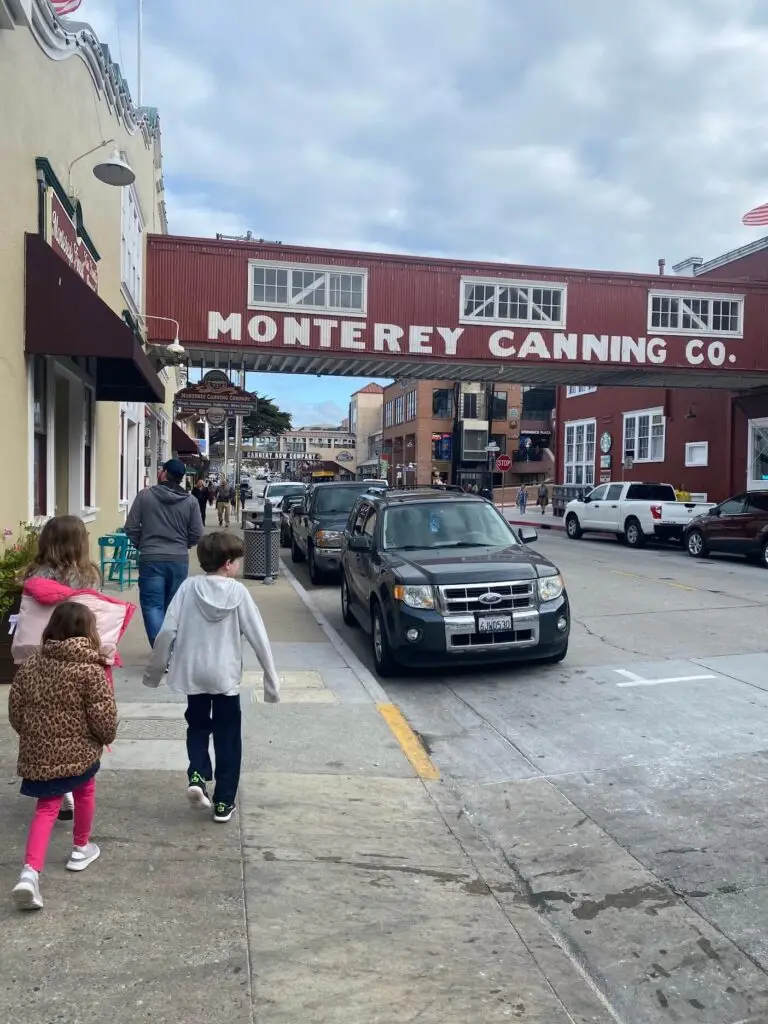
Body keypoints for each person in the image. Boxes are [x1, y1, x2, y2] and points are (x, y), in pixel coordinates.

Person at [143, 532, 280, 824]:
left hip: (193, 674)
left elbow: (167, 631)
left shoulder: (188, 588)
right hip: (225, 676)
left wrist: (154, 673)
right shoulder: (239, 593)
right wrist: (271, 682)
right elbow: (258, 636)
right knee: (228, 737)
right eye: (238, 562)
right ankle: (223, 802)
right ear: (228, 564)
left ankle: (197, 772)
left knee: (197, 725)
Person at [15, 516, 133, 824]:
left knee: (47, 718)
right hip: (79, 659)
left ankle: (57, 787)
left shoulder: (33, 575)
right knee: (78, 722)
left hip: (40, 657)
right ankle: (75, 780)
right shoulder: (87, 577)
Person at [9, 602, 118, 911]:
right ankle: (81, 847)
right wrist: (104, 738)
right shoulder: (89, 670)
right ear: (88, 632)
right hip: (79, 753)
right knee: (85, 791)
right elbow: (103, 719)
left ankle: (30, 873)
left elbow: (16, 711)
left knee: (46, 807)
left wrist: (33, 735)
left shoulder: (32, 665)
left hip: (38, 752)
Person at [125, 458, 204, 647]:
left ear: (164, 474)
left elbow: (131, 527)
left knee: (153, 605)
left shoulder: (145, 496)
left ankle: (162, 652)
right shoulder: (190, 501)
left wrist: (143, 545)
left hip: (151, 558)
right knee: (173, 608)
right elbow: (197, 533)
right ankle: (171, 650)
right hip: (178, 559)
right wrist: (184, 545)